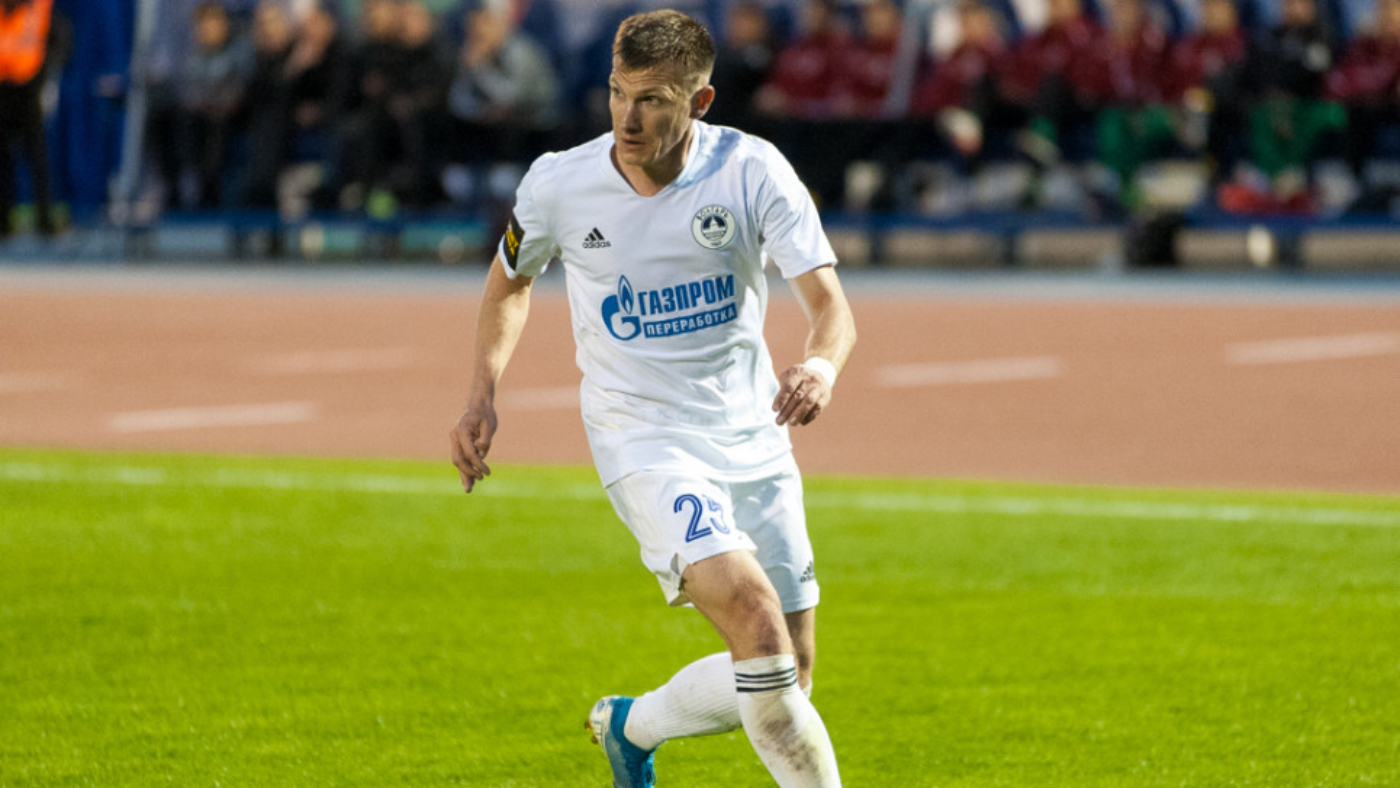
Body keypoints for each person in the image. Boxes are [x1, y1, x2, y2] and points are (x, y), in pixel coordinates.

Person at [448, 10, 854, 788]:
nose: (627, 118)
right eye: (617, 93)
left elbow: (831, 307)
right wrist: (481, 396)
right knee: (756, 620)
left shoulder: (752, 171)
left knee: (789, 676)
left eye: (653, 100)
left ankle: (630, 728)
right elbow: (510, 282)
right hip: (644, 438)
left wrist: (819, 368)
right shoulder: (560, 183)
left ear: (700, 101)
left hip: (754, 435)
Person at [0, 0, 63, 237]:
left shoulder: (39, 6)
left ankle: (44, 221)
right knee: (3, 158)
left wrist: (52, 73)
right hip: (3, 85)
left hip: (30, 84)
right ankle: (4, 222)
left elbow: (57, 35)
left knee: (37, 156)